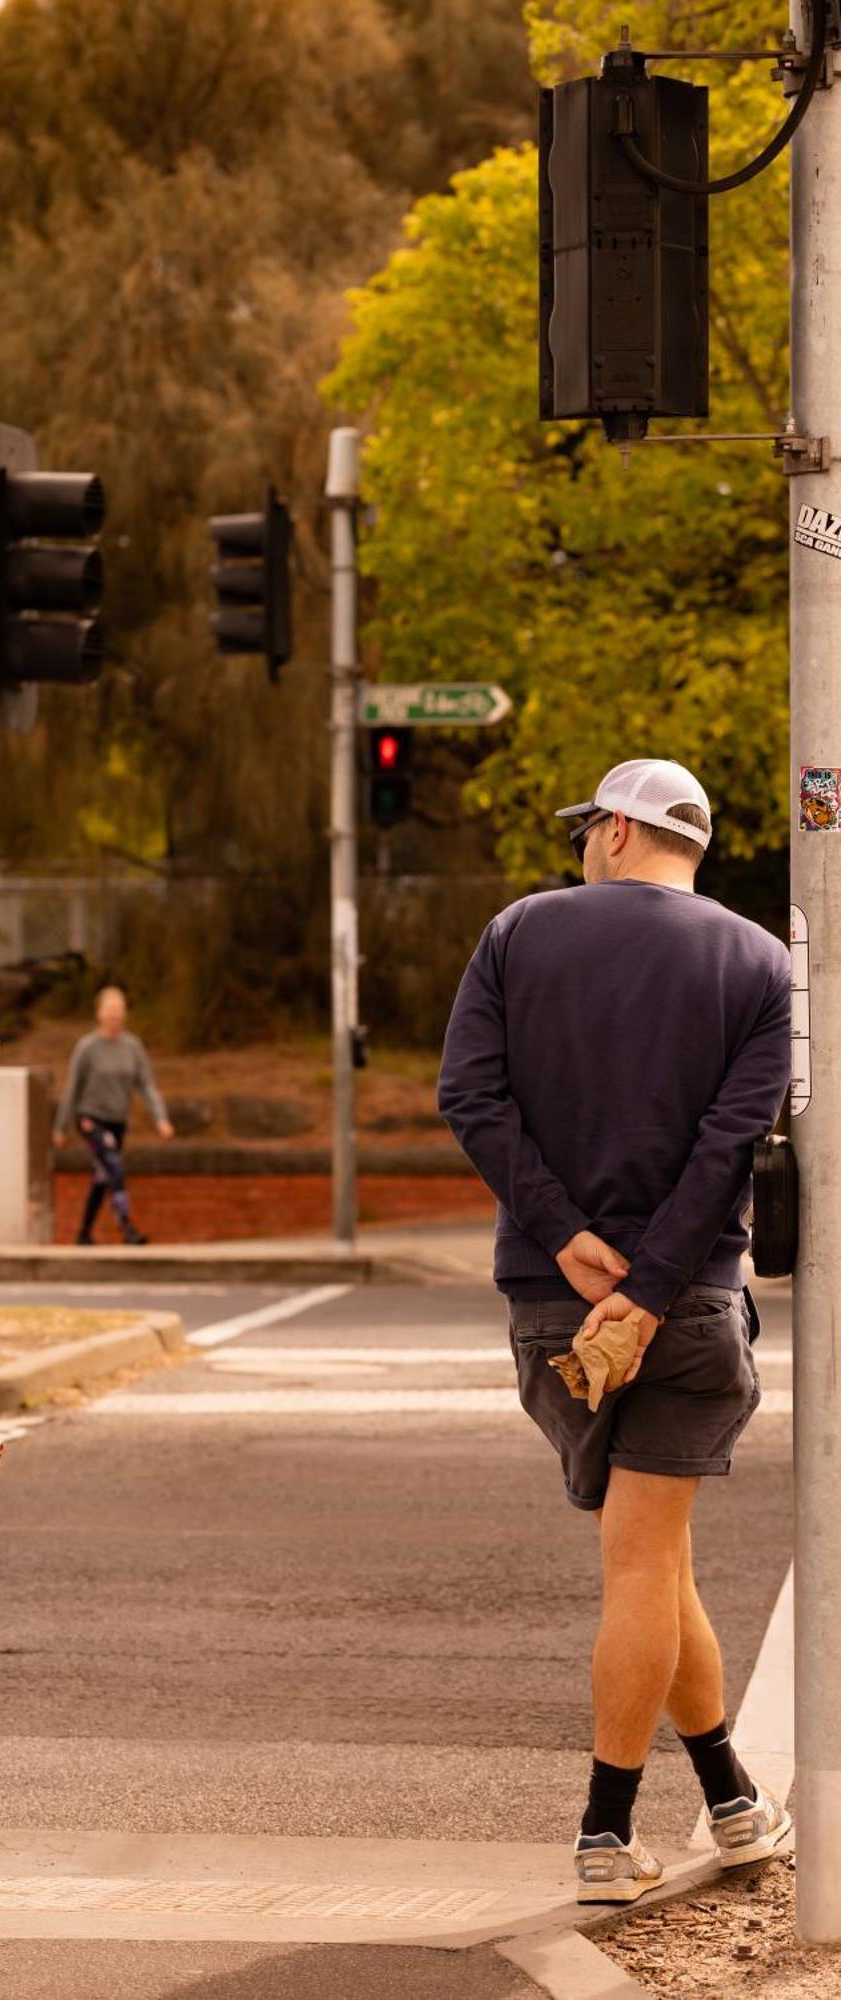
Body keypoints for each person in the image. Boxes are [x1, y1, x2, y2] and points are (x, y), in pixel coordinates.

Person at [438, 758, 792, 1906]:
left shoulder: (515, 932)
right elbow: (731, 1144)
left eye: (590, 825)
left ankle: (730, 1803)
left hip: (551, 1302)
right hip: (685, 1307)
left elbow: (471, 1096)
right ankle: (615, 1828)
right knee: (650, 1559)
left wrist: (570, 1239)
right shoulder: (756, 960)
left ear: (616, 830)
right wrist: (648, 1282)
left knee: (652, 1557)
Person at [52, 986, 174, 1244]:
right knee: (114, 1165)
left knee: (103, 1175)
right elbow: (72, 1087)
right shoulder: (87, 1048)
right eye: (109, 1010)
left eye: (118, 1011)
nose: (114, 1016)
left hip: (117, 1121)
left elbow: (146, 1085)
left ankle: (84, 1233)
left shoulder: (132, 1047)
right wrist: (61, 1127)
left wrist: (160, 1118)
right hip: (90, 1119)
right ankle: (127, 1228)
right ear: (99, 1014)